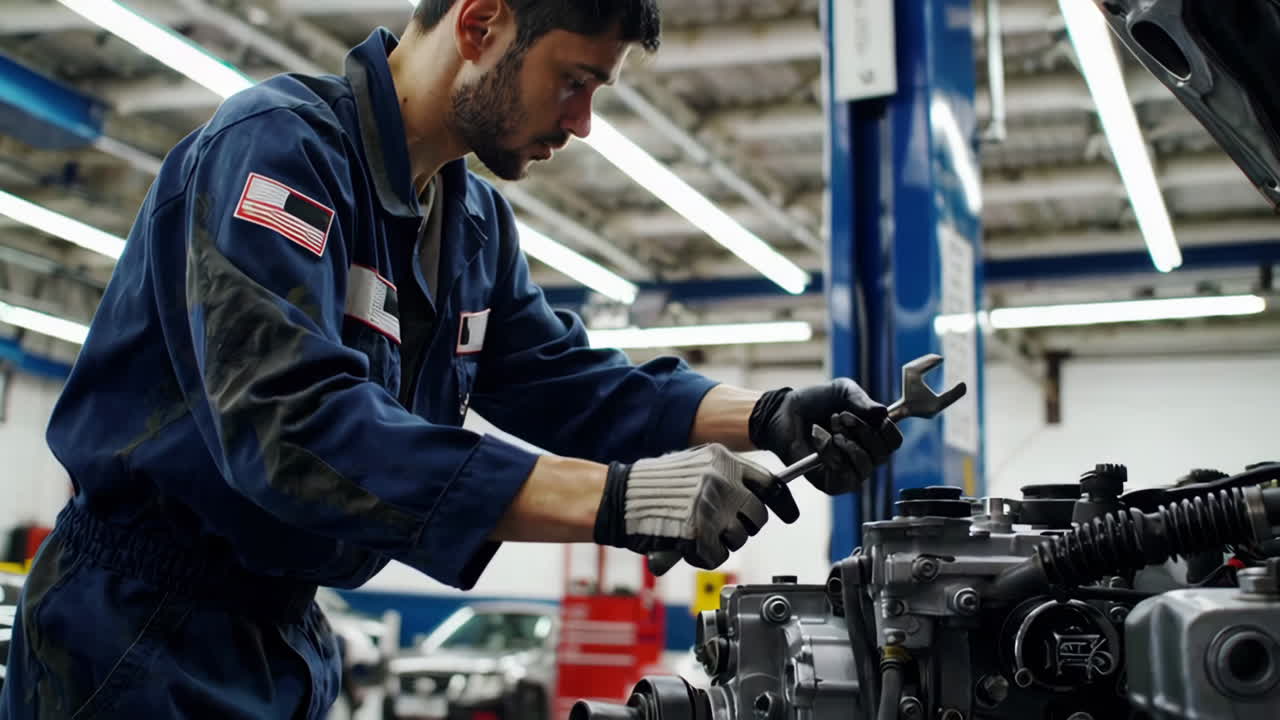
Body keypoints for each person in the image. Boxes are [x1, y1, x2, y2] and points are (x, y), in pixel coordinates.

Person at [0, 1, 902, 717]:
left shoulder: (467, 223)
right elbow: (292, 425)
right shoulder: (279, 153)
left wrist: (766, 413)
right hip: (136, 636)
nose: (583, 122)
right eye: (574, 80)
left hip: (286, 637)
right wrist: (618, 501)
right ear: (481, 25)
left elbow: (562, 380)